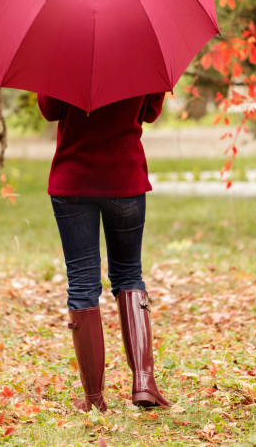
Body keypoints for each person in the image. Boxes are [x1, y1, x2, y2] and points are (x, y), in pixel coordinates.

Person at [37, 93, 172, 412]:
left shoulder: (62, 50)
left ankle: (95, 400)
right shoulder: (142, 51)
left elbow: (50, 109)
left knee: (82, 284)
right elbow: (150, 113)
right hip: (124, 178)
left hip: (73, 182)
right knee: (128, 275)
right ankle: (143, 382)